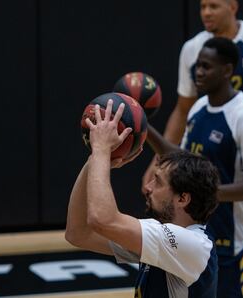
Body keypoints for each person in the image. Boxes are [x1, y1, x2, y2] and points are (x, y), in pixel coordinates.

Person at [143, 1, 243, 297]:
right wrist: (143, 127)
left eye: (214, 5)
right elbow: (180, 150)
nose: (206, 12)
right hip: (206, 224)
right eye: (202, 6)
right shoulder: (198, 108)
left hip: (238, 224)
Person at [145, 37, 243, 298]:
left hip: (233, 244)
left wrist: (207, 192)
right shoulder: (198, 109)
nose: (199, 72)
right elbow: (183, 159)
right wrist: (143, 127)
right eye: (197, 66)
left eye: (206, 66)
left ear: (227, 70)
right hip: (196, 238)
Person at [65, 99, 220, 297]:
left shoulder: (191, 244)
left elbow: (102, 219)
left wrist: (101, 150)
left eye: (158, 181)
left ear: (183, 199)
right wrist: (93, 161)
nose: (147, 187)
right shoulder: (162, 241)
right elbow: (78, 234)